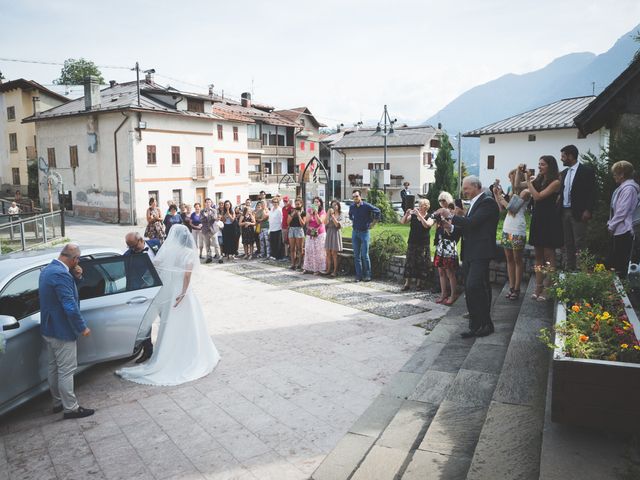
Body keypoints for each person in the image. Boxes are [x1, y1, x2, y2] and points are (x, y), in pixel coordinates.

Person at [116, 225, 220, 386]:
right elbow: (186, 276)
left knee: (170, 323)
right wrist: (184, 292)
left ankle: (168, 354)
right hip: (181, 292)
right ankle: (191, 353)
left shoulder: (168, 250)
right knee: (189, 322)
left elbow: (156, 265)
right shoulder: (189, 253)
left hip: (170, 292)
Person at [39, 243, 94, 419]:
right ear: (74, 259)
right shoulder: (61, 275)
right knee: (66, 370)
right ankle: (71, 408)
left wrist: (77, 277)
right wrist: (82, 327)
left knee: (54, 367)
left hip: (48, 328)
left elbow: (59, 295)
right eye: (77, 260)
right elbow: (69, 305)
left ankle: (57, 402)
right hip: (61, 330)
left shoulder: (47, 270)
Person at [443, 176, 499, 338]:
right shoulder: (476, 202)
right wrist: (450, 226)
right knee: (471, 288)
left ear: (476, 187)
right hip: (470, 252)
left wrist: (451, 215)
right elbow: (468, 226)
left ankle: (486, 324)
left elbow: (472, 222)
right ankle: (475, 326)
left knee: (475, 286)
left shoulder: (487, 202)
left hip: (481, 252)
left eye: (466, 188)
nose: (464, 191)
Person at [527, 156, 563, 301]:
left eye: (542, 164)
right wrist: (520, 173)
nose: (540, 166)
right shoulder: (539, 180)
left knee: (549, 254)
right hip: (538, 218)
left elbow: (538, 196)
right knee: (538, 255)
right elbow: (518, 185)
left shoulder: (555, 182)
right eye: (539, 164)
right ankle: (538, 286)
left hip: (549, 219)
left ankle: (548, 287)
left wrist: (529, 183)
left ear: (550, 166)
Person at [493, 166, 531, 300]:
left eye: (512, 177)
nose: (510, 180)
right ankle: (511, 286)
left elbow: (513, 208)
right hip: (507, 227)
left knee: (517, 259)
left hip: (517, 228)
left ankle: (517, 288)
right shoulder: (511, 191)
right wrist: (497, 195)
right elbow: (503, 209)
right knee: (509, 258)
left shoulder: (526, 192)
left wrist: (501, 197)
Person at [559, 144, 596, 271]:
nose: (561, 159)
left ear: (570, 156)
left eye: (563, 156)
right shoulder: (563, 173)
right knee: (567, 242)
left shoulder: (586, 171)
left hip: (579, 212)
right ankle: (569, 268)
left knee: (579, 242)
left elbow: (592, 192)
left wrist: (588, 210)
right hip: (564, 211)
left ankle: (582, 269)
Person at [123, 232, 159, 363]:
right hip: (145, 292)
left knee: (167, 318)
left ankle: (169, 346)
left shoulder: (156, 243)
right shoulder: (128, 256)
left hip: (163, 288)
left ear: (141, 240)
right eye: (129, 246)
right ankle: (147, 351)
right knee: (145, 322)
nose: (131, 249)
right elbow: (130, 277)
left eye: (133, 246)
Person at [607, 161, 639, 278]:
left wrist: (611, 225)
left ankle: (623, 291)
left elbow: (622, 211)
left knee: (621, 263)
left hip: (624, 229)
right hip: (619, 229)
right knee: (616, 261)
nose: (614, 176)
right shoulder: (623, 188)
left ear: (622, 174)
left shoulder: (629, 189)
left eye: (616, 173)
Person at [400, 199, 435, 291]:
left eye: (420, 205)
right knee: (409, 262)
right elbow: (402, 222)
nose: (419, 207)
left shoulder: (430, 216)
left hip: (423, 243)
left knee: (422, 264)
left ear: (425, 207)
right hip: (412, 242)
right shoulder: (413, 216)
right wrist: (407, 214)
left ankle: (419, 284)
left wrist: (419, 215)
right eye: (419, 205)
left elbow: (427, 225)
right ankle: (407, 283)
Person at [432, 192, 460, 303]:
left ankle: (453, 295)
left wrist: (445, 219)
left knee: (450, 272)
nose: (442, 203)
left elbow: (451, 232)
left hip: (449, 245)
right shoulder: (440, 213)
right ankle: (443, 294)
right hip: (440, 244)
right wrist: (438, 220)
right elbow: (437, 230)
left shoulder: (453, 213)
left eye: (444, 200)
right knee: (441, 272)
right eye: (440, 201)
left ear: (448, 200)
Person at [348, 190, 381, 282]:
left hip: (364, 232)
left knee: (364, 255)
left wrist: (373, 223)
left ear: (360, 196)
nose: (355, 198)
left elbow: (378, 211)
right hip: (355, 232)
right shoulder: (352, 206)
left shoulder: (366, 206)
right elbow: (350, 215)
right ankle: (359, 276)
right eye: (354, 197)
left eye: (357, 196)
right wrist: (354, 220)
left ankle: (367, 275)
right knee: (356, 255)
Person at [302, 197, 327, 274]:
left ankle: (318, 269)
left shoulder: (322, 212)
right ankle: (308, 268)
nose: (316, 203)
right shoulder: (309, 210)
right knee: (309, 250)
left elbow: (320, 222)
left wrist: (316, 213)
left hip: (319, 234)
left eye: (317, 202)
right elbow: (306, 221)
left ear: (320, 203)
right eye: (314, 202)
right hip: (310, 233)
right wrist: (311, 213)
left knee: (318, 252)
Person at [324, 200, 343, 277]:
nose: (334, 206)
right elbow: (325, 223)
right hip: (329, 233)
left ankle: (335, 271)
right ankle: (328, 270)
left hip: (335, 233)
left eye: (336, 205)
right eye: (332, 205)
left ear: (338, 206)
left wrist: (332, 216)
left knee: (334, 254)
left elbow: (337, 225)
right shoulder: (329, 213)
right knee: (328, 253)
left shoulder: (340, 214)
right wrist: (328, 214)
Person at [288, 197, 306, 270]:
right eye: (296, 204)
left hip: (299, 229)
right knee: (292, 248)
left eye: (298, 204)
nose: (297, 205)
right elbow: (288, 222)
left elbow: (303, 224)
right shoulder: (291, 211)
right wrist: (293, 214)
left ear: (301, 204)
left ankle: (300, 264)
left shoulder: (303, 212)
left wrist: (298, 215)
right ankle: (293, 264)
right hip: (292, 229)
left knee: (300, 248)